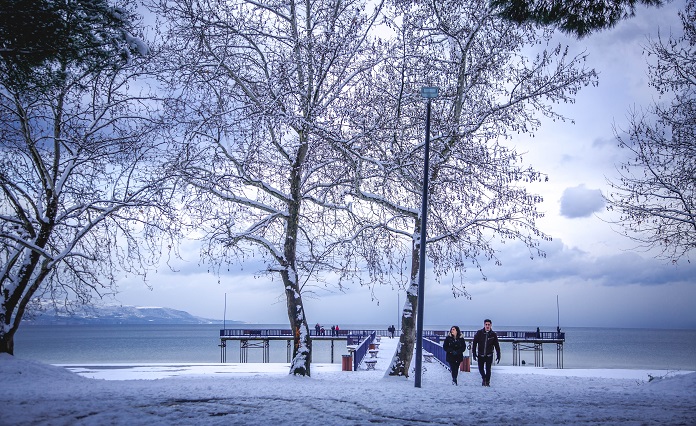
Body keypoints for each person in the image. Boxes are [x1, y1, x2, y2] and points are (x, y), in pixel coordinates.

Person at [472, 319, 501, 387]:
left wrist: (498, 355)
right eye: (486, 324)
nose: (487, 326)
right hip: (480, 354)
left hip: (489, 355)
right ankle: (484, 378)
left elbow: (497, 345)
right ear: (484, 325)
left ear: (491, 325)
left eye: (488, 325)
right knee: (480, 368)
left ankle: (487, 382)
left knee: (488, 369)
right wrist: (474, 353)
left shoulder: (493, 334)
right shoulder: (479, 333)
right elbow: (474, 343)